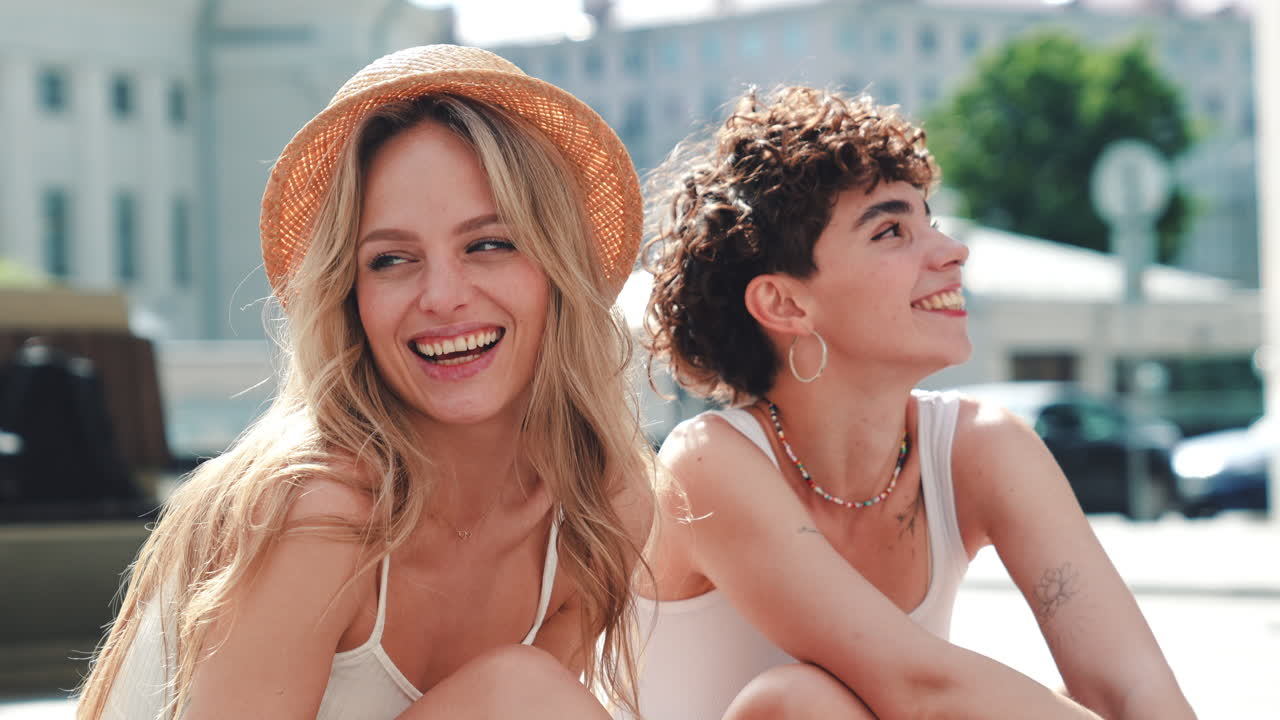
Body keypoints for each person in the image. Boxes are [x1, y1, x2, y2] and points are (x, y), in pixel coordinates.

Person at [76, 44, 655, 720]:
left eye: (488, 244)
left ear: (558, 267)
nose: (441, 296)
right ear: (349, 296)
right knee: (522, 694)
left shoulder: (600, 509)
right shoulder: (316, 507)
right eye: (391, 259)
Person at [634, 86, 1195, 719]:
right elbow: (919, 688)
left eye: (931, 221)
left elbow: (1130, 687)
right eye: (892, 230)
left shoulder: (982, 445)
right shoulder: (707, 464)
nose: (951, 252)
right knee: (798, 703)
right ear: (786, 304)